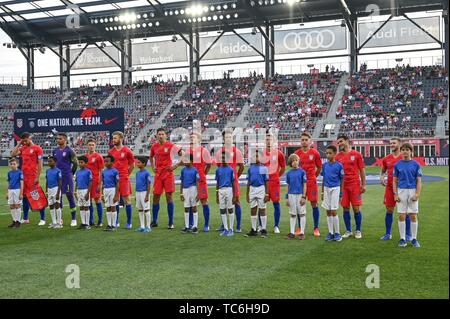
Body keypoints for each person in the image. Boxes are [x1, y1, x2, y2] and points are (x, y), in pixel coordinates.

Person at [149, 127, 183, 229]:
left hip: (168, 174)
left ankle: (171, 222)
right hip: (158, 175)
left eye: (162, 134)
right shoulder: (154, 146)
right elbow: (151, 157)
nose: (161, 136)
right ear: (156, 135)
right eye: (159, 134)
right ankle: (154, 221)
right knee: (156, 197)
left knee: (169, 197)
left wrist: (175, 166)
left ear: (166, 135)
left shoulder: (170, 145)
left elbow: (183, 155)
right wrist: (153, 167)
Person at [10, 132, 46, 225]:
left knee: (37, 197)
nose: (24, 143)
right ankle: (26, 218)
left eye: (25, 140)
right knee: (25, 197)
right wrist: (19, 143)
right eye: (23, 141)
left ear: (29, 138)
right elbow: (13, 154)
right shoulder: (23, 148)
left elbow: (40, 164)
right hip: (24, 177)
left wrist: (37, 177)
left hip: (33, 177)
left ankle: (43, 219)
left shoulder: (37, 149)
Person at [380, 137, 411, 241]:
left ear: (400, 144)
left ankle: (407, 234)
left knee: (405, 211)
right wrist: (381, 177)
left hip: (402, 187)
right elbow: (383, 170)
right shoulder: (386, 158)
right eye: (391, 143)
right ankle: (388, 234)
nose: (392, 145)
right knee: (389, 209)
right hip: (389, 187)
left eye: (394, 143)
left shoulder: (404, 157)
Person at [336, 134, 366, 239]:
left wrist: (364, 184)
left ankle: (358, 230)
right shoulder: (338, 156)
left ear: (347, 141)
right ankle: (348, 230)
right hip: (343, 186)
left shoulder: (356, 154)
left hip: (355, 185)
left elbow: (362, 170)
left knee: (356, 208)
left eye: (341, 141)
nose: (339, 144)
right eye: (338, 142)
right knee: (345, 208)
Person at [214, 130, 244, 233]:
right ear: (223, 139)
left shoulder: (237, 151)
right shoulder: (219, 152)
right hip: (223, 183)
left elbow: (241, 166)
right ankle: (224, 225)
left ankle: (238, 225)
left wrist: (236, 177)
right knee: (224, 204)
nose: (228, 139)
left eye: (230, 137)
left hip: (233, 182)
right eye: (226, 137)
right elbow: (219, 168)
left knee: (236, 202)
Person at [393, 143, 422, 248]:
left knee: (413, 215)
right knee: (401, 215)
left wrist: (417, 194)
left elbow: (419, 181)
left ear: (411, 151)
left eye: (407, 149)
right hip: (401, 191)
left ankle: (414, 239)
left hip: (412, 190)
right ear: (401, 151)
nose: (405, 151)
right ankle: (402, 239)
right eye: (403, 149)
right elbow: (394, 181)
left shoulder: (416, 164)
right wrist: (395, 194)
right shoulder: (397, 165)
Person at [294, 132, 322, 237]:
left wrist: (313, 176)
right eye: (302, 140)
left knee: (314, 204)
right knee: (299, 205)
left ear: (310, 141)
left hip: (311, 182)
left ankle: (316, 228)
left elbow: (319, 167)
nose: (304, 142)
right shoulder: (297, 153)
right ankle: (300, 227)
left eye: (306, 140)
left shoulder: (315, 153)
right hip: (300, 183)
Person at [184, 132, 212, 232]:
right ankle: (191, 224)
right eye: (190, 137)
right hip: (190, 181)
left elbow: (209, 164)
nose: (191, 139)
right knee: (191, 202)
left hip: (200, 180)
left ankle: (206, 224)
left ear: (199, 140)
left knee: (204, 201)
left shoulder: (204, 151)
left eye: (193, 137)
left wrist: (203, 174)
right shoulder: (187, 151)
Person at [108, 131, 135, 229]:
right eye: (113, 138)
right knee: (115, 200)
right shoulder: (110, 152)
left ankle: (129, 222)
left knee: (126, 200)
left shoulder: (127, 151)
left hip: (123, 178)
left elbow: (132, 164)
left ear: (121, 138)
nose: (113, 140)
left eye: (115, 138)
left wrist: (127, 174)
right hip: (113, 179)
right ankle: (116, 221)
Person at [262, 132, 286, 234]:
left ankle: (276, 226)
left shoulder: (279, 154)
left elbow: (283, 168)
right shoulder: (261, 154)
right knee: (262, 204)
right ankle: (261, 225)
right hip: (263, 184)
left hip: (275, 183)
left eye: (270, 139)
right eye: (266, 139)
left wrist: (276, 176)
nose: (268, 141)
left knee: (276, 204)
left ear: (274, 141)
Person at [53, 133, 78, 227]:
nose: (58, 140)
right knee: (58, 197)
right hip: (58, 177)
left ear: (65, 140)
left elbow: (75, 163)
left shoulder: (70, 151)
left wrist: (71, 173)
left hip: (67, 177)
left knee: (70, 196)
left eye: (60, 139)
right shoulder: (55, 151)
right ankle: (60, 219)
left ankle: (74, 218)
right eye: (57, 139)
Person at [320, 145, 344, 242]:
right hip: (326, 188)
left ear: (335, 154)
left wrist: (341, 193)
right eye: (327, 153)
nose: (328, 155)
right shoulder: (324, 165)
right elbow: (323, 179)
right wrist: (322, 191)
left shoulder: (339, 165)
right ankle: (331, 233)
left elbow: (342, 179)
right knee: (328, 211)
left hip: (335, 188)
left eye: (330, 153)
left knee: (334, 211)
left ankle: (337, 233)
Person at [245, 150, 270, 238]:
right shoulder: (250, 168)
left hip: (261, 189)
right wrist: (247, 194)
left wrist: (267, 194)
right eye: (254, 156)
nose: (256, 158)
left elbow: (267, 182)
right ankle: (253, 229)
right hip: (252, 189)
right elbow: (248, 182)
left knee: (262, 208)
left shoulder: (264, 168)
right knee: (253, 209)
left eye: (258, 156)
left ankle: (263, 229)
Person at [215, 152, 238, 237]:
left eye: (225, 158)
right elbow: (217, 182)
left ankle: (231, 229)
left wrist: (235, 195)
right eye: (222, 158)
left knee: (230, 209)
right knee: (222, 209)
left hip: (229, 190)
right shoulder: (218, 170)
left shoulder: (230, 169)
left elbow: (233, 183)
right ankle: (225, 229)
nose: (223, 160)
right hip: (221, 190)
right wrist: (217, 194)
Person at [285, 154, 307, 240]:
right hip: (291, 195)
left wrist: (304, 197)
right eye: (293, 160)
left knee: (302, 213)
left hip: (300, 195)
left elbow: (305, 185)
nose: (295, 162)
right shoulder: (289, 173)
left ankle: (302, 233)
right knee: (292, 214)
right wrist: (287, 197)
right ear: (290, 162)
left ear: (299, 161)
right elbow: (287, 185)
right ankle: (292, 232)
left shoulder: (302, 172)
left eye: (296, 160)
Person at [86, 139, 105, 227]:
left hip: (96, 181)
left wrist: (100, 184)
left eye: (93, 145)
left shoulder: (98, 156)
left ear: (95, 146)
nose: (91, 146)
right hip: (87, 182)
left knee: (97, 200)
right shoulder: (85, 157)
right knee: (88, 201)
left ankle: (100, 221)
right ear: (87, 146)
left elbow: (101, 171)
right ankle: (91, 220)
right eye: (89, 145)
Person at [180, 154, 200, 234]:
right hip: (185, 189)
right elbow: (181, 181)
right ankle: (187, 226)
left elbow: (197, 182)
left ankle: (195, 226)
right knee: (186, 207)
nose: (184, 162)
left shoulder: (195, 170)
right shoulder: (183, 170)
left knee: (194, 207)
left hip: (193, 189)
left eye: (186, 160)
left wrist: (198, 193)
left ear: (191, 161)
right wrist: (181, 193)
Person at [101, 155, 120, 231]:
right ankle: (109, 225)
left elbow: (117, 183)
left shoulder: (115, 171)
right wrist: (102, 194)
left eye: (107, 161)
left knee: (113, 207)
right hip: (105, 190)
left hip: (112, 189)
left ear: (112, 162)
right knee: (108, 207)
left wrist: (116, 195)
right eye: (105, 161)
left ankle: (113, 225)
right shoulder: (104, 171)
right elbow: (103, 182)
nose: (105, 163)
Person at [74, 156, 93, 230]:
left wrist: (88, 193)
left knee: (86, 207)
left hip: (85, 190)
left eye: (82, 162)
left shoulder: (88, 171)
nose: (80, 164)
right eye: (79, 162)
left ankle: (87, 224)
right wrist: (75, 191)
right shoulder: (77, 172)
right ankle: (83, 223)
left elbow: (90, 183)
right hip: (79, 190)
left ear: (86, 163)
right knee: (81, 206)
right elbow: (76, 182)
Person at [135, 157, 152, 233]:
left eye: (139, 162)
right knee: (140, 209)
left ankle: (148, 227)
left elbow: (149, 184)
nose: (137, 164)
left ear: (144, 164)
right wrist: (136, 195)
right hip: (138, 192)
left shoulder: (147, 173)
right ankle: (142, 226)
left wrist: (147, 195)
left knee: (146, 209)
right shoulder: (137, 173)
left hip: (144, 192)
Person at [46, 156, 62, 229]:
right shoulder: (48, 170)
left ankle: (59, 223)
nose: (49, 162)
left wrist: (58, 193)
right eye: (48, 161)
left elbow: (60, 182)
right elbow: (47, 180)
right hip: (49, 189)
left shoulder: (58, 171)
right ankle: (54, 222)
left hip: (56, 189)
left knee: (57, 205)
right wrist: (46, 190)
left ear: (55, 162)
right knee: (51, 206)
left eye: (50, 161)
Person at [6, 158, 23, 228]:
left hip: (17, 190)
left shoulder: (20, 172)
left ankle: (18, 222)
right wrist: (7, 192)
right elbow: (9, 182)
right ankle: (14, 221)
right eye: (11, 164)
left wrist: (21, 193)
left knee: (17, 205)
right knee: (11, 206)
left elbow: (22, 183)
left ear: (17, 164)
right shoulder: (9, 173)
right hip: (10, 190)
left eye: (14, 164)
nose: (12, 165)